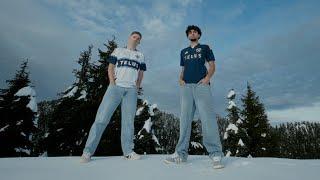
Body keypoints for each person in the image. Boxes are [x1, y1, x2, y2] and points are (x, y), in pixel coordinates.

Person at [80, 31, 146, 163]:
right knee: (101, 118)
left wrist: (137, 87)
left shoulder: (140, 55)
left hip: (131, 91)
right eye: (134, 37)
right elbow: (110, 67)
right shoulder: (118, 50)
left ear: (139, 42)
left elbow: (141, 73)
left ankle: (128, 152)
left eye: (138, 38)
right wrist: (112, 82)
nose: (136, 39)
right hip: (116, 88)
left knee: (128, 122)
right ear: (129, 38)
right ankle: (87, 152)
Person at [165, 25, 224, 169]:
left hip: (201, 86)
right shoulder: (183, 52)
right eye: (190, 32)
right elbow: (183, 68)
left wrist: (207, 78)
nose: (192, 33)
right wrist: (180, 79)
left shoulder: (205, 48)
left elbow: (212, 65)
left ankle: (215, 154)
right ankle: (180, 154)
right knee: (184, 120)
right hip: (186, 87)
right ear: (187, 35)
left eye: (195, 32)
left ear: (198, 35)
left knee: (207, 118)